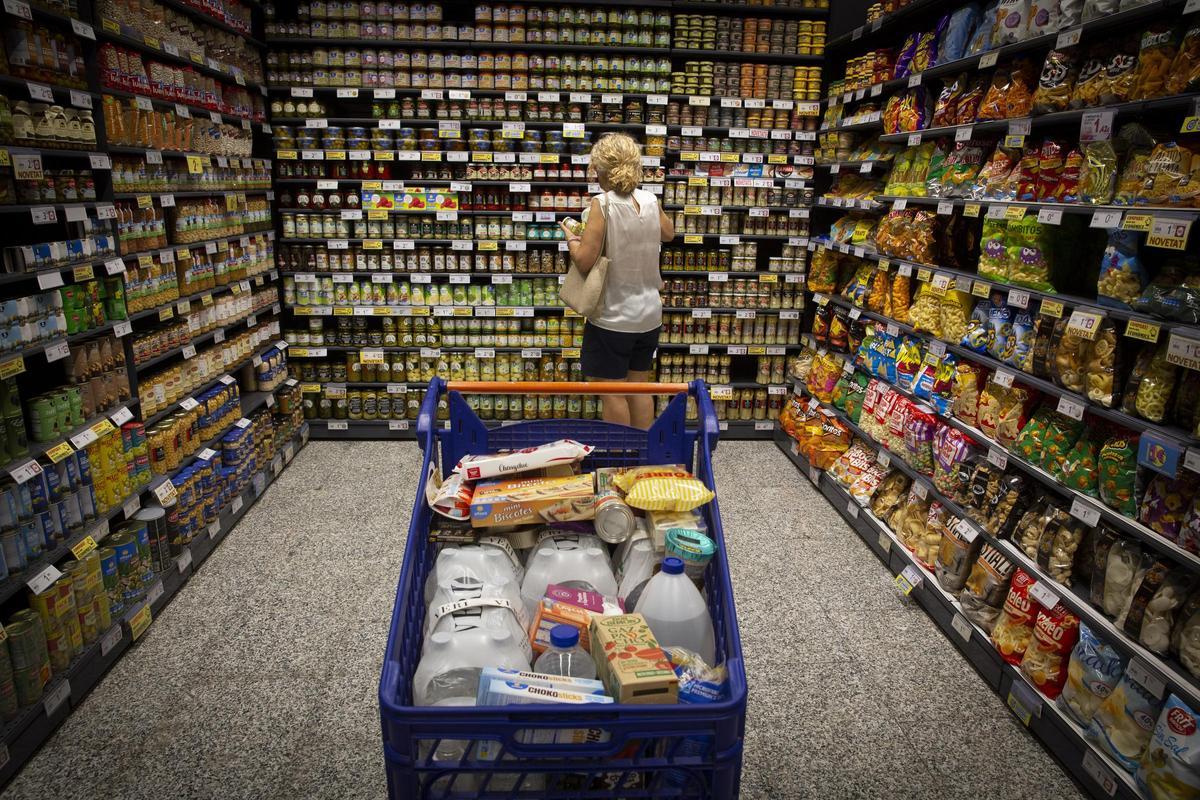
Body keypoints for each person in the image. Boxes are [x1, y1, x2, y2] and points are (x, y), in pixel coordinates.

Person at [559, 133, 675, 429]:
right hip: (649, 314)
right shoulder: (650, 199)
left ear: (603, 169)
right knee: (639, 389)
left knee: (613, 394)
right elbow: (668, 233)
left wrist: (572, 239)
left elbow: (585, 261)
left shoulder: (603, 204)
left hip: (614, 317)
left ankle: (622, 459)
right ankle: (642, 460)